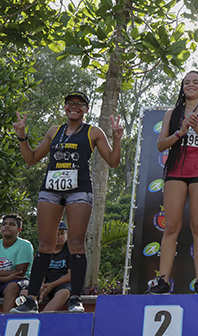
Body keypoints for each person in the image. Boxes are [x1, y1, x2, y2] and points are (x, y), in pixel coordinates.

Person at [11, 91, 123, 313]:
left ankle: (75, 299)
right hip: (51, 189)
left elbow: (113, 162)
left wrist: (117, 139)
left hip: (79, 190)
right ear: (64, 107)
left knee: (76, 243)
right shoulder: (54, 131)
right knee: (45, 244)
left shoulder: (94, 132)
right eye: (70, 103)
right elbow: (31, 159)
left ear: (86, 109)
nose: (74, 106)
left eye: (79, 104)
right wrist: (22, 135)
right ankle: (31, 300)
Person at [145, 70, 198, 294]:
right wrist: (181, 132)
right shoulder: (172, 113)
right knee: (170, 227)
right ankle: (163, 281)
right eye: (187, 82)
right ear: (182, 87)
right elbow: (161, 145)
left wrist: (197, 127)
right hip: (176, 172)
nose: (191, 85)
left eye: (196, 82)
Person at [35, 221, 72, 311]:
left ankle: (44, 316)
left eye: (62, 233)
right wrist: (42, 285)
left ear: (66, 235)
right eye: (56, 234)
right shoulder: (44, 248)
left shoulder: (71, 249)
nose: (59, 236)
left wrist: (51, 285)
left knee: (64, 293)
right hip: (46, 282)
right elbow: (40, 271)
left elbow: (71, 275)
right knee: (25, 291)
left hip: (62, 283)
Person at [0, 214, 33, 313]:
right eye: (4, 224)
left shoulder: (25, 245)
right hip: (5, 278)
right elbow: (13, 273)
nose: (7, 226)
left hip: (20, 281)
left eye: (12, 224)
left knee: (12, 287)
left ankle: (5, 321)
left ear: (19, 229)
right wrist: (7, 277)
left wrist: (8, 279)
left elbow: (19, 272)